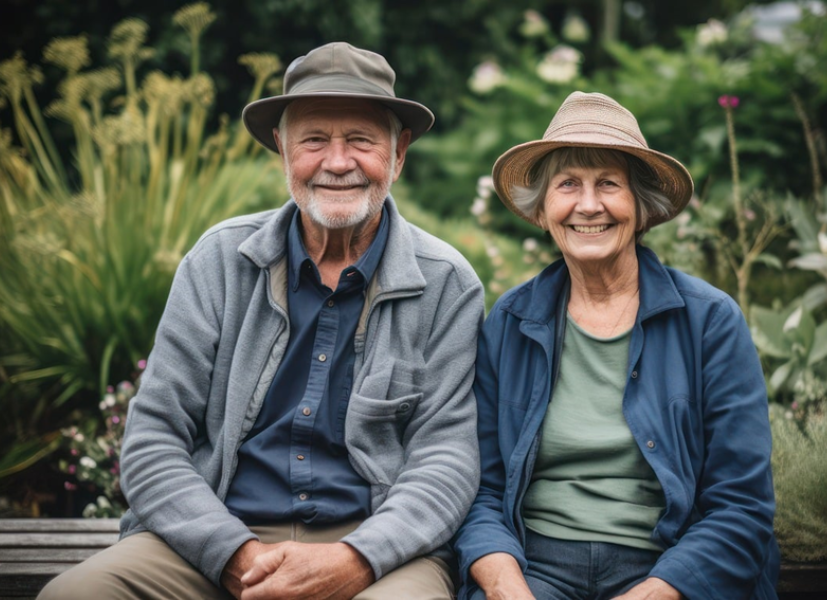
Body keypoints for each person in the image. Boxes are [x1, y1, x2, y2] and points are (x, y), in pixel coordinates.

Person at [39, 42, 484, 600]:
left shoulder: (446, 282)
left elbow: (447, 460)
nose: (338, 161)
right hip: (217, 529)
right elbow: (153, 438)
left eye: (362, 141)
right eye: (315, 139)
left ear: (398, 154)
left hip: (376, 544)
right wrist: (234, 555)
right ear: (282, 148)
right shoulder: (219, 260)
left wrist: (356, 560)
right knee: (74, 595)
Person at [453, 91, 779, 600]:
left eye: (608, 183)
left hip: (666, 565)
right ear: (542, 210)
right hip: (534, 563)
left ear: (641, 207)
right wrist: (506, 585)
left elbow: (741, 504)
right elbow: (481, 490)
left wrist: (658, 590)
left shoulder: (710, 321)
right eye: (567, 185)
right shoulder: (510, 322)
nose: (588, 205)